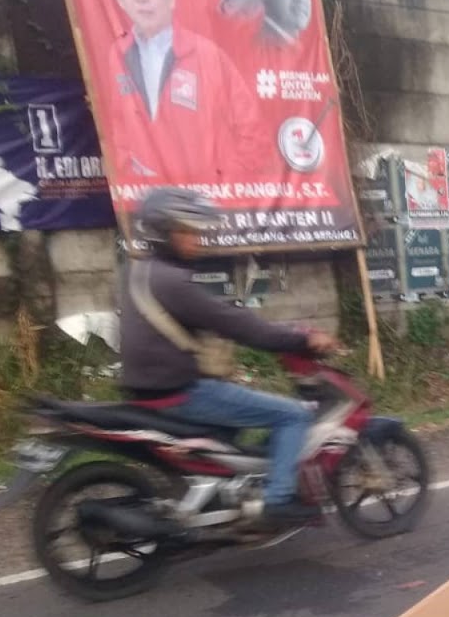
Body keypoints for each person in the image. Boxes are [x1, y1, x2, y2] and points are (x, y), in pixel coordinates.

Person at [119, 188, 336, 525]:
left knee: (241, 419)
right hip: (181, 394)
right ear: (163, 234)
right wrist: (301, 341)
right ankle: (277, 501)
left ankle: (230, 496)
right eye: (187, 232)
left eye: (196, 231)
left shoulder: (137, 272)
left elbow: (217, 321)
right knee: (293, 415)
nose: (197, 240)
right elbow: (241, 327)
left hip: (149, 390)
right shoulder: (173, 282)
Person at [102, 0, 264, 184]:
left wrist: (221, 186)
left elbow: (253, 134)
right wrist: (131, 179)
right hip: (147, 204)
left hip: (200, 204)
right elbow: (118, 126)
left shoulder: (207, 56)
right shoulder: (117, 54)